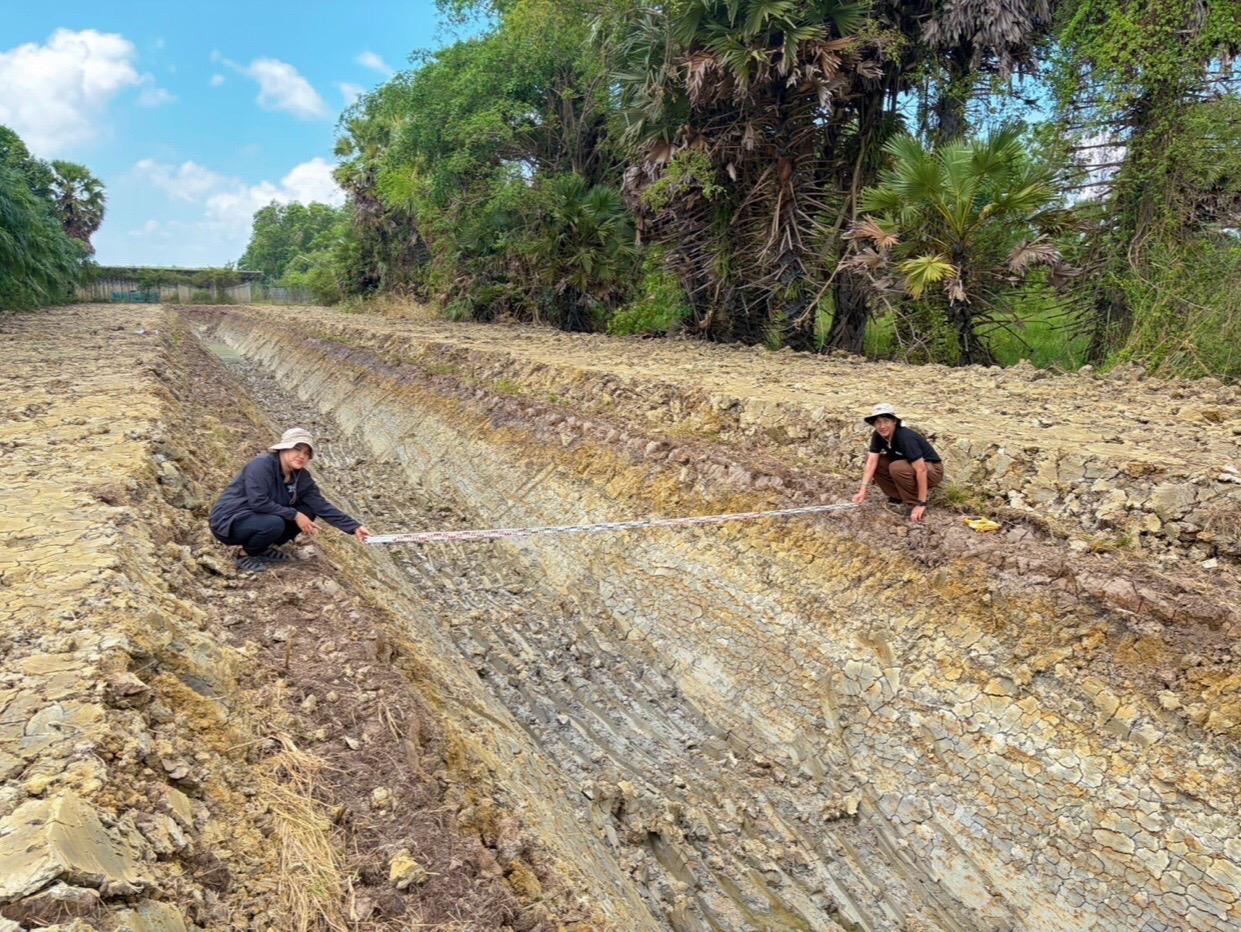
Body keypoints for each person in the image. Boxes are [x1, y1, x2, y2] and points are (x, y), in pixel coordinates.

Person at [209, 427, 371, 572]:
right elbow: (258, 502)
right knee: (276, 522)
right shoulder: (261, 466)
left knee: (308, 510)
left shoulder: (301, 477)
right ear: (284, 448)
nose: (302, 456)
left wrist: (354, 527)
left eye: (307, 453)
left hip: (258, 518)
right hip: (229, 521)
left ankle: (263, 547)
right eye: (297, 449)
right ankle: (244, 555)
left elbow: (321, 505)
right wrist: (295, 515)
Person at [851, 404, 943, 523]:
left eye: (886, 421)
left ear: (894, 421)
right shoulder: (878, 435)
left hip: (932, 469)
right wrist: (862, 490)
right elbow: (872, 461)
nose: (882, 426)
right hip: (908, 466)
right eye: (878, 422)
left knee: (896, 467)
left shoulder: (905, 438)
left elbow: (921, 470)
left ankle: (913, 503)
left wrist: (921, 503)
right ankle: (897, 496)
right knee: (878, 462)